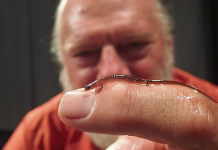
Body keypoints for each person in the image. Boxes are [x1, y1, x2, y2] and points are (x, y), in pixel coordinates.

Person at [3, 0, 218, 149]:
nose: (111, 69)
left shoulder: (213, 107)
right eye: (85, 52)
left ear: (169, 45)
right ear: (61, 62)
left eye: (135, 44)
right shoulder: (39, 135)